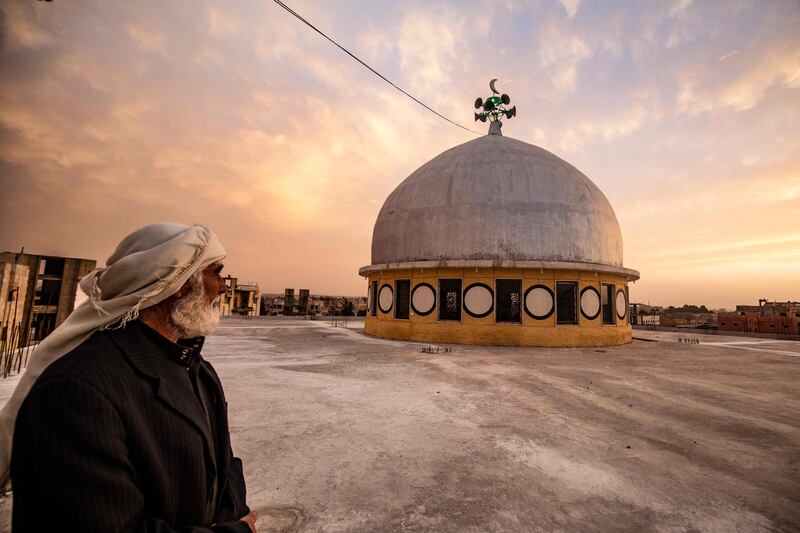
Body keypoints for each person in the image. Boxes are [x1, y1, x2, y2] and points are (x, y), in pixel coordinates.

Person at [0, 223, 257, 532]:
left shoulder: (195, 368)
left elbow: (224, 466)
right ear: (179, 284)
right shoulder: (76, 391)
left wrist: (232, 517)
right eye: (215, 272)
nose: (224, 286)